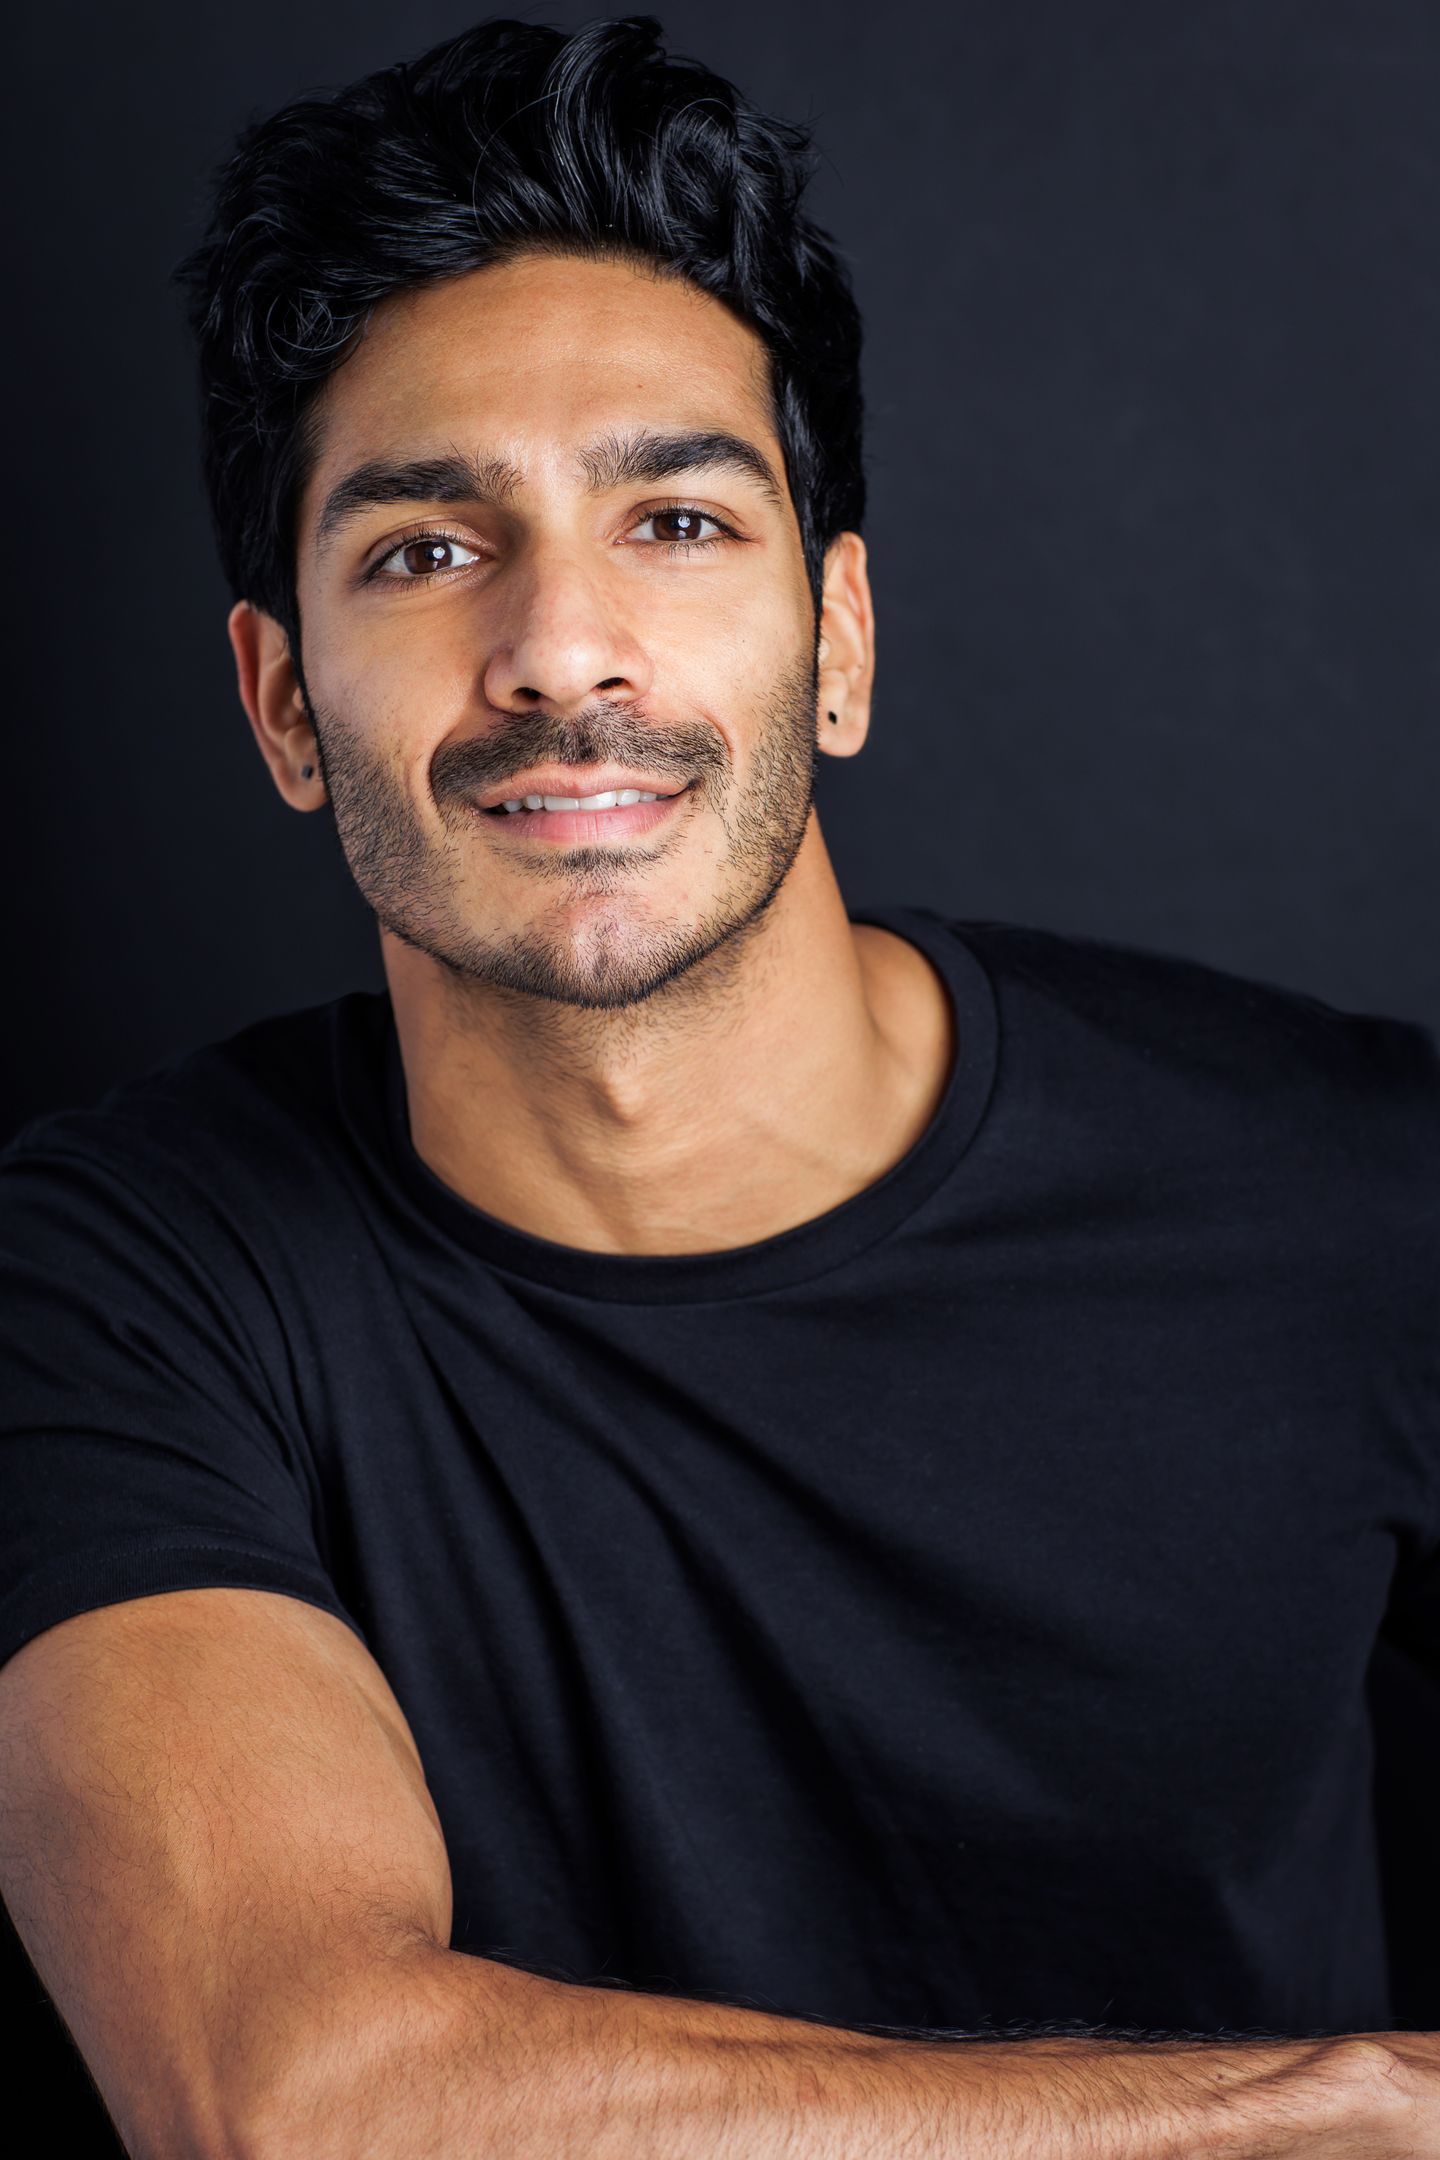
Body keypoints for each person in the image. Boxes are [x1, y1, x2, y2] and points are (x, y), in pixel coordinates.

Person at [1, 13, 1437, 2156]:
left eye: (674, 520)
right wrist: (1337, 2110)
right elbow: (295, 2097)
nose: (560, 649)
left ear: (837, 642)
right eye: (424, 549)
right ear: (283, 704)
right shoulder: (123, 1287)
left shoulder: (1360, 1193)